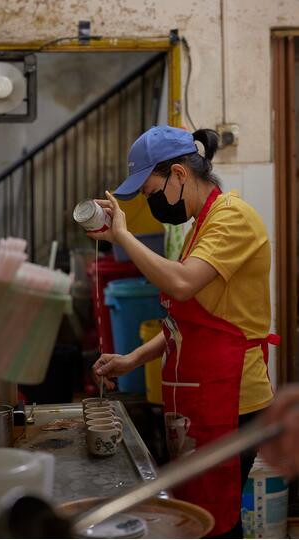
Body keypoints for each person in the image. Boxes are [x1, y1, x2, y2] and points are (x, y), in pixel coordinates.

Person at [89, 125, 279, 538]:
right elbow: (189, 321)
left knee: (216, 522)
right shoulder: (201, 223)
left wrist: (124, 234)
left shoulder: (233, 217)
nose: (149, 200)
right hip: (200, 394)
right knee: (200, 517)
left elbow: (179, 284)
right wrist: (132, 359)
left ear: (178, 174)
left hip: (231, 399)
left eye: (150, 191)